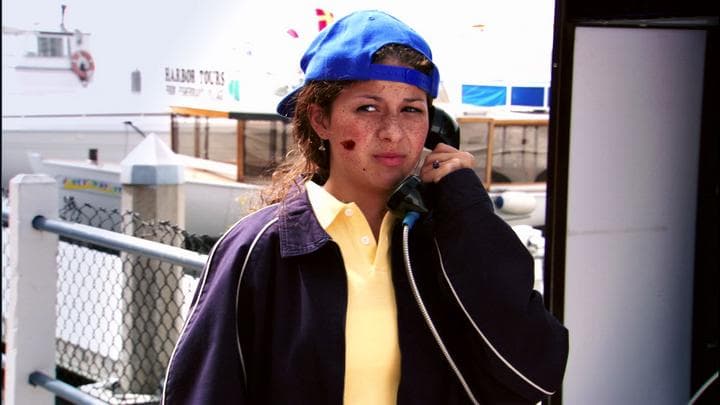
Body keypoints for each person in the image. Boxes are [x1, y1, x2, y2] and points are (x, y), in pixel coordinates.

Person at [162, 10, 568, 404]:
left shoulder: (445, 242)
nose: (392, 132)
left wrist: (466, 208)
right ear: (321, 120)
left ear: (435, 125)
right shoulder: (257, 251)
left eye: (411, 109)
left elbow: (536, 374)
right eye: (367, 108)